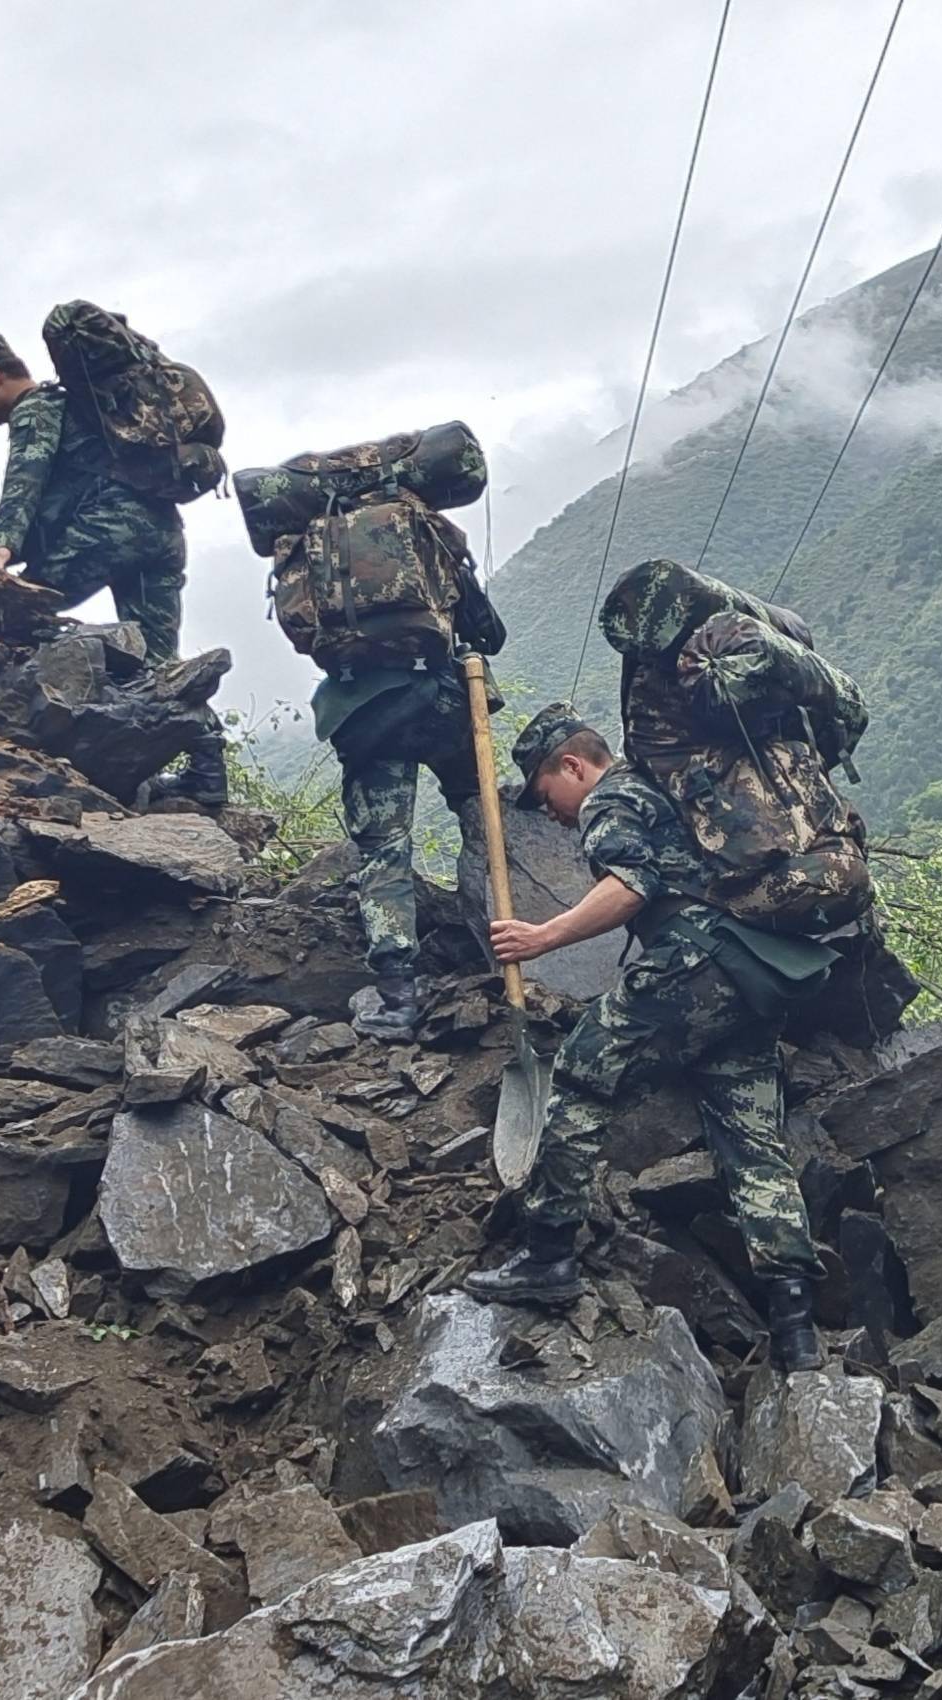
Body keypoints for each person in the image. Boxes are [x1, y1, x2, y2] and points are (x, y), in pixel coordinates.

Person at [466, 702, 830, 1373]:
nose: (547, 812)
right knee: (752, 1145)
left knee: (578, 1075)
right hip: (750, 981)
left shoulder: (612, 800)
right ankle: (796, 1321)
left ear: (572, 766)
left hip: (690, 968)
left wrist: (542, 937)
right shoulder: (666, 789)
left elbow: (630, 886)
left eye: (545, 794)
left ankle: (547, 1254)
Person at [0, 331, 224, 806]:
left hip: (108, 529)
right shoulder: (82, 408)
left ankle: (21, 732)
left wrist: (2, 549)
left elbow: (26, 477)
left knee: (20, 612)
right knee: (161, 664)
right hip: (160, 531)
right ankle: (208, 774)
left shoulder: (36, 408)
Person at [304, 564, 506, 1044]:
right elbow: (489, 634)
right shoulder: (429, 532)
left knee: (385, 849)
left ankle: (398, 996)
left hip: (364, 713)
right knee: (481, 812)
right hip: (442, 701)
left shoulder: (312, 542)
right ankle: (516, 938)